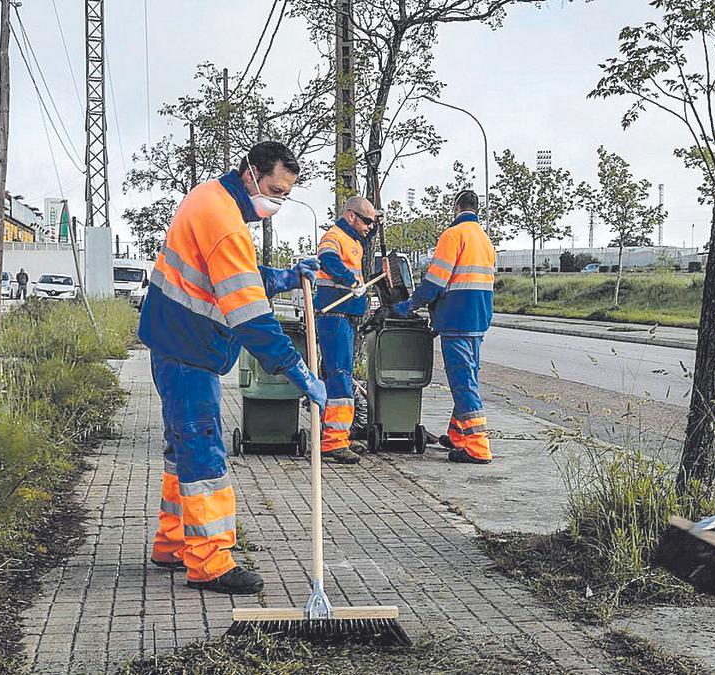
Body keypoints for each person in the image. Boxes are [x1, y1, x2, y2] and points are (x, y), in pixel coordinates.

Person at [139, 141, 327, 595]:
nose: (277, 201)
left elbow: (231, 272)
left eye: (285, 193)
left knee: (181, 446)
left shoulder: (212, 200)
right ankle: (209, 562)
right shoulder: (224, 220)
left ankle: (174, 542)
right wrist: (298, 371)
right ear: (249, 172)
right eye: (274, 189)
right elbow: (251, 317)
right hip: (189, 349)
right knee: (203, 452)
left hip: (178, 342)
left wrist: (283, 276)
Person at [390, 190, 495, 464]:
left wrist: (409, 305)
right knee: (468, 377)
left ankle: (477, 447)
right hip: (477, 319)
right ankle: (458, 435)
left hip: (457, 319)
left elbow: (436, 280)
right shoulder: (485, 240)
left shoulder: (453, 235)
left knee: (462, 383)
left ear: (456, 207)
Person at [313, 195, 387, 465]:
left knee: (338, 373)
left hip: (345, 315)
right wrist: (348, 279)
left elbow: (366, 241)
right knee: (339, 375)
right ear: (350, 216)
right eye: (366, 220)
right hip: (334, 313)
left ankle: (338, 435)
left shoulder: (354, 240)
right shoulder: (333, 236)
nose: (369, 225)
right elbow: (328, 261)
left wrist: (377, 224)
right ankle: (334, 441)